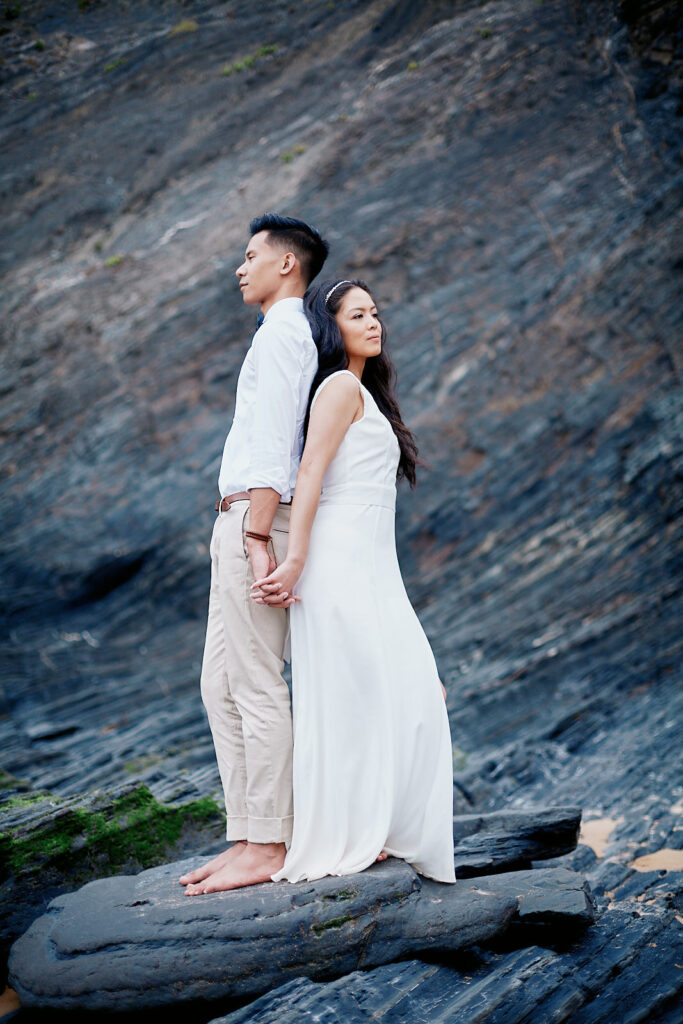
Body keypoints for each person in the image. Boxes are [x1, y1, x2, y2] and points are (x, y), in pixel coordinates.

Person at [253, 279, 456, 884]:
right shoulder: (339, 387)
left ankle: (379, 827)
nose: (374, 323)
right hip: (339, 560)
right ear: (331, 326)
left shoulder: (364, 391)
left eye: (376, 312)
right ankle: (356, 831)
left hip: (375, 565)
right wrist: (296, 559)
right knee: (357, 692)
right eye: (358, 314)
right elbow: (309, 474)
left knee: (409, 691)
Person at [180, 214, 329, 895]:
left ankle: (270, 842)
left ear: (286, 266)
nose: (239, 269)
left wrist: (256, 536)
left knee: (256, 682)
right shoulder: (281, 336)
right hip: (242, 516)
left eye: (249, 257)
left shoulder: (282, 336)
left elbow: (274, 446)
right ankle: (247, 834)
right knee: (221, 683)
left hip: (252, 518)